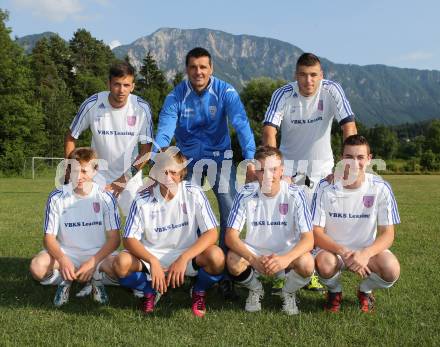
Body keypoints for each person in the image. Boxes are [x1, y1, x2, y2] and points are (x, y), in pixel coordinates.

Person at [153, 47, 256, 298]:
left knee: (230, 206)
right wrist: (159, 158)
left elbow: (241, 124)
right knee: (185, 208)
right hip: (186, 160)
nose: (198, 72)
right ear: (186, 69)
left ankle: (224, 272)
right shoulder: (176, 95)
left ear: (211, 69)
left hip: (220, 157)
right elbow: (165, 129)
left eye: (203, 67)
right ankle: (195, 264)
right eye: (193, 67)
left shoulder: (225, 91)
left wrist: (251, 158)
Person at [262, 52, 357, 291]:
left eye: (313, 75)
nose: (308, 80)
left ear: (321, 75)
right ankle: (292, 270)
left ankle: (313, 271)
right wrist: (274, 169)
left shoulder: (332, 90)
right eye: (303, 75)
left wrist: (345, 165)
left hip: (323, 169)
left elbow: (349, 126)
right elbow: (269, 130)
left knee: (318, 224)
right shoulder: (283, 94)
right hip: (290, 169)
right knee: (291, 222)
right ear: (296, 75)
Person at [113, 148, 225, 317]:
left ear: (181, 174)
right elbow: (129, 239)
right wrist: (152, 261)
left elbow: (211, 233)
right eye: (163, 171)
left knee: (217, 257)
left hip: (186, 256)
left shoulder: (193, 193)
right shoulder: (142, 198)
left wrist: (184, 258)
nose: (168, 177)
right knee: (120, 263)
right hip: (152, 256)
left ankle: (198, 291)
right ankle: (149, 291)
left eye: (173, 172)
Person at [312, 135, 400, 312]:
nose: (354, 162)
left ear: (369, 159)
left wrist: (365, 254)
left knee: (391, 269)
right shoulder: (324, 187)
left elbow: (388, 234)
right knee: (324, 263)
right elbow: (316, 232)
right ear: (341, 158)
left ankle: (365, 290)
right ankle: (334, 291)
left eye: (360, 157)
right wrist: (343, 252)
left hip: (366, 250)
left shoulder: (380, 187)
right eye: (349, 157)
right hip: (333, 251)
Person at [225, 146, 314, 315]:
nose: (268, 176)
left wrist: (285, 259)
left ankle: (288, 291)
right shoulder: (246, 193)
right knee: (232, 260)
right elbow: (230, 237)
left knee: (307, 263)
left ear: (282, 171)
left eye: (273, 170)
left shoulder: (295, 194)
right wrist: (253, 259)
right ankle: (256, 289)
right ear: (256, 172)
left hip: (286, 251)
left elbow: (308, 239)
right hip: (256, 250)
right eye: (262, 170)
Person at [29, 148, 121, 307]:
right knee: (37, 267)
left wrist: (93, 262)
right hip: (67, 252)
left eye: (84, 171)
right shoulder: (57, 197)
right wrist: (63, 259)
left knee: (122, 268)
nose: (79, 177)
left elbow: (114, 239)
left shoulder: (106, 198)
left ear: (94, 171)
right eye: (74, 170)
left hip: (97, 255)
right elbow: (48, 238)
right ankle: (65, 279)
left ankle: (96, 279)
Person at [64, 61, 153, 217]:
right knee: (91, 225)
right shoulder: (92, 104)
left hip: (130, 177)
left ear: (133, 86)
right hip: (97, 176)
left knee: (141, 228)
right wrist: (72, 169)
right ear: (109, 84)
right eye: (116, 84)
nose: (121, 90)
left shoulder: (142, 108)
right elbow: (71, 137)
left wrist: (124, 178)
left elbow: (146, 151)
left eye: (126, 85)